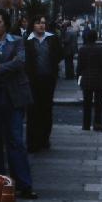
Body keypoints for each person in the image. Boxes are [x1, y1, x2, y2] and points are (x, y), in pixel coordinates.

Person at [0, 9, 38, 199]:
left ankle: (24, 185)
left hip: (14, 98)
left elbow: (20, 63)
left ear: (6, 24)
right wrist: (4, 69)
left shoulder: (17, 41)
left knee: (16, 141)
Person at [25, 14, 62, 152]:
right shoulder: (27, 40)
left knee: (46, 109)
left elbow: (59, 54)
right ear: (32, 25)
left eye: (43, 23)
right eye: (38, 22)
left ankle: (44, 139)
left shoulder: (52, 39)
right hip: (32, 81)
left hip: (48, 80)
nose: (41, 25)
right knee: (32, 111)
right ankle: (32, 142)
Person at [76, 29, 102, 132]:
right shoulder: (100, 50)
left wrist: (78, 77)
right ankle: (97, 124)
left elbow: (79, 67)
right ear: (96, 38)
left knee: (86, 103)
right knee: (98, 104)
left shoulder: (82, 50)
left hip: (86, 79)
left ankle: (86, 125)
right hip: (99, 80)